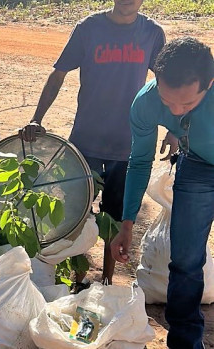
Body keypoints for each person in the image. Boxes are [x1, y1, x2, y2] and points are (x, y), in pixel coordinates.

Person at [19, 0, 166, 286]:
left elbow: (165, 81)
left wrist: (173, 129)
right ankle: (78, 277)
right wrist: (37, 117)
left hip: (128, 144)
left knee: (115, 215)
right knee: (76, 212)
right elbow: (58, 73)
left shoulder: (152, 33)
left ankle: (107, 280)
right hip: (86, 140)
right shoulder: (89, 29)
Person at [111, 37, 214, 349]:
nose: (175, 110)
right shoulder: (145, 102)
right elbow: (140, 161)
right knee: (184, 261)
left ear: (209, 84)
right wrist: (127, 223)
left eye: (187, 104)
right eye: (168, 101)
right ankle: (185, 343)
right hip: (196, 166)